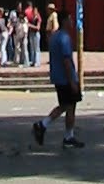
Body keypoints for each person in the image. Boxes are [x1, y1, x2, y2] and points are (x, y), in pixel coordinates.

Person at [31, 9, 82, 149]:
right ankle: (66, 135)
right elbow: (66, 60)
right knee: (70, 107)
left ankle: (46, 125)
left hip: (58, 77)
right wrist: (72, 81)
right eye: (70, 19)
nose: (72, 22)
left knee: (65, 105)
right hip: (66, 78)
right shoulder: (65, 38)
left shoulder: (54, 37)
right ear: (65, 21)